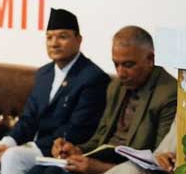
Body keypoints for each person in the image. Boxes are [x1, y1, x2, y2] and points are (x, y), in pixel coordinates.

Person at [0, 8, 110, 174]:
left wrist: (27, 147)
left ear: (78, 40)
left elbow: (77, 129)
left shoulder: (92, 77)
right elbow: (28, 117)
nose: (54, 43)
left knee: (13, 156)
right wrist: (8, 142)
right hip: (30, 146)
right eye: (49, 37)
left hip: (58, 151)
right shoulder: (44, 73)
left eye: (62, 37)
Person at [28, 26, 177, 174]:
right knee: (39, 170)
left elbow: (158, 163)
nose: (121, 73)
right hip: (101, 163)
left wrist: (98, 168)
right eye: (116, 64)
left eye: (128, 65)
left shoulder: (168, 94)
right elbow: (100, 138)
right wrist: (77, 150)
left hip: (126, 170)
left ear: (150, 59)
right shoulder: (116, 86)